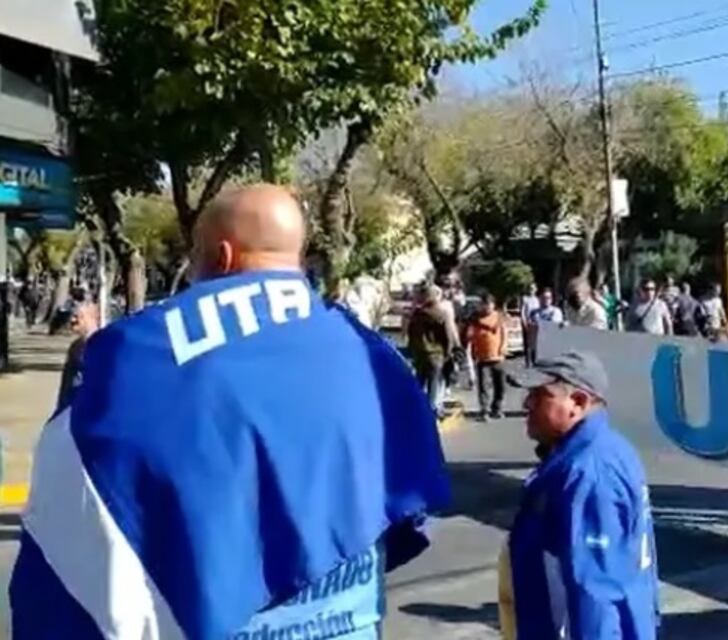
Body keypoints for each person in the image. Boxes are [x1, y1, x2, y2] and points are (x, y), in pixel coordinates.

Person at [10, 184, 450, 638]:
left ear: (220, 256)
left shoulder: (137, 357)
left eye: (194, 254)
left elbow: (75, 513)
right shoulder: (373, 353)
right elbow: (405, 507)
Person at [506, 351, 659, 639]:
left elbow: (596, 593)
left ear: (577, 402)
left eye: (539, 396)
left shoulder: (588, 473)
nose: (527, 404)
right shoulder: (605, 450)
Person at [408, 284, 458, 416]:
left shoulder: (417, 315)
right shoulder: (441, 314)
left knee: (420, 382)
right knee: (434, 384)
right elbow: (448, 336)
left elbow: (411, 333)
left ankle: (416, 409)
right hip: (436, 354)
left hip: (420, 354)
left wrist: (412, 350)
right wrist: (449, 352)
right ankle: (431, 411)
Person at [467, 292, 508, 420]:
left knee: (500, 385)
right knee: (483, 386)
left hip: (497, 356)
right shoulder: (475, 319)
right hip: (482, 357)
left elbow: (504, 333)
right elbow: (470, 335)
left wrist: (503, 347)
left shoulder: (498, 317)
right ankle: (484, 410)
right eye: (484, 304)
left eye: (489, 304)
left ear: (493, 305)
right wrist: (472, 348)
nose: (486, 307)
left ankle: (497, 408)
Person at [55, 300, 100, 412]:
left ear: (91, 318)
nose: (72, 320)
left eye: (77, 316)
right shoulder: (75, 346)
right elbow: (66, 383)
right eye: (72, 316)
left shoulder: (104, 345)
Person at [528, 288, 564, 365]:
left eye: (548, 298)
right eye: (544, 298)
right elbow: (531, 327)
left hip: (551, 347)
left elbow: (554, 326)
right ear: (539, 298)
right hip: (537, 347)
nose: (546, 300)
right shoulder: (533, 312)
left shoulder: (555, 311)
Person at [520, 283, 540, 367]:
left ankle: (534, 360)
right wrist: (524, 322)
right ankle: (528, 362)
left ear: (536, 289)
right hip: (527, 323)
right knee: (527, 344)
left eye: (533, 288)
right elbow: (522, 312)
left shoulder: (537, 300)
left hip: (535, 324)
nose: (531, 290)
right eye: (530, 288)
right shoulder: (525, 299)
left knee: (535, 343)